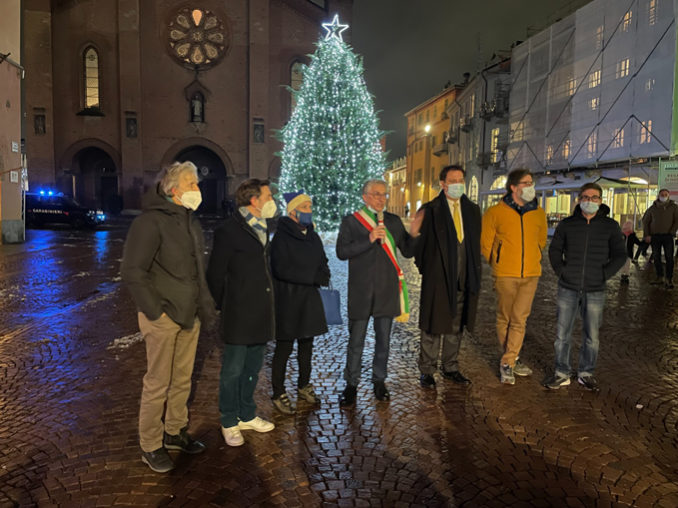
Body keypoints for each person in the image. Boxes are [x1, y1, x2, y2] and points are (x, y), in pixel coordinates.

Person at [121, 161, 213, 473]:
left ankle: (175, 431)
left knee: (182, 380)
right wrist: (155, 312)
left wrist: (204, 306)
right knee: (158, 382)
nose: (197, 190)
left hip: (190, 315)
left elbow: (197, 271)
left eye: (197, 184)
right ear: (173, 190)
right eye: (192, 184)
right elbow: (133, 271)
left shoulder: (190, 221)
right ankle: (150, 444)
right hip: (163, 317)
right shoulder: (150, 222)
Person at [206, 178, 277, 446]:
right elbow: (215, 273)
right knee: (233, 370)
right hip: (238, 312)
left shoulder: (264, 227)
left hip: (261, 310)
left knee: (253, 367)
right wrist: (225, 304)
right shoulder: (229, 230)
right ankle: (229, 419)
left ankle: (247, 414)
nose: (272, 201)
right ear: (254, 200)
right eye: (268, 196)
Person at [336, 179, 418, 406]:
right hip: (361, 292)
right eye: (376, 194)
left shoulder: (392, 221)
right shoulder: (351, 222)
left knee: (383, 340)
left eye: (384, 194)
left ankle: (379, 381)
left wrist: (415, 234)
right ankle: (351, 384)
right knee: (356, 341)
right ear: (365, 197)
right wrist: (369, 239)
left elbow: (408, 251)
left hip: (387, 290)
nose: (381, 198)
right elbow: (342, 252)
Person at [545, 183, 626, 391]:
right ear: (579, 199)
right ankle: (561, 372)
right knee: (562, 335)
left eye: (594, 197)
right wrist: (562, 271)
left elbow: (620, 255)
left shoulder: (610, 226)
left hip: (595, 289)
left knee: (592, 336)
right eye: (586, 197)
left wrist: (604, 274)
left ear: (600, 200)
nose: (590, 201)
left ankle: (586, 373)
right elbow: (554, 250)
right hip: (568, 287)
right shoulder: (567, 224)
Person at [410, 165, 481, 388]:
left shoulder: (472, 210)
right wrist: (430, 271)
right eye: (453, 180)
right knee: (433, 325)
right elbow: (419, 248)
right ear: (442, 183)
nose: (458, 183)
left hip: (464, 277)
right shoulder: (431, 210)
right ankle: (427, 369)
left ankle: (451, 366)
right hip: (438, 278)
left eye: (461, 179)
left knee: (456, 325)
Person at [480, 169, 547, 385]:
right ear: (514, 187)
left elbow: (541, 240)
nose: (531, 186)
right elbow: (486, 244)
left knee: (520, 319)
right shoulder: (494, 212)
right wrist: (500, 262)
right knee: (505, 318)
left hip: (531, 273)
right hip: (505, 273)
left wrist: (531, 258)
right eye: (526, 183)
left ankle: (508, 362)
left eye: (531, 182)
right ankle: (512, 358)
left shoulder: (539, 213)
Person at [269, 191, 330, 415]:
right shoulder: (281, 237)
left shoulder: (312, 235)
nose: (308, 210)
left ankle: (304, 385)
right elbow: (281, 268)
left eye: (309, 206)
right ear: (292, 212)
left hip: (309, 299)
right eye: (304, 207)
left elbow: (322, 259)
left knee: (307, 346)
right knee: (284, 348)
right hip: (288, 299)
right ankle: (278, 392)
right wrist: (311, 277)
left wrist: (324, 273)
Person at [642, 188, 678, 288]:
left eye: (665, 194)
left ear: (668, 196)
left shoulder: (674, 207)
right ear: (658, 195)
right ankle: (659, 277)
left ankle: (669, 279)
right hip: (655, 236)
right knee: (656, 257)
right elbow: (645, 221)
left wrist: (672, 232)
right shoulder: (652, 208)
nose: (663, 196)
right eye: (662, 194)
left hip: (668, 236)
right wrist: (647, 235)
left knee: (669, 258)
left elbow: (677, 220)